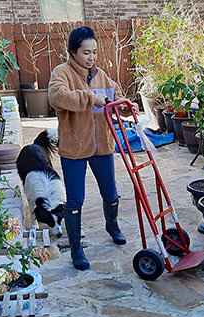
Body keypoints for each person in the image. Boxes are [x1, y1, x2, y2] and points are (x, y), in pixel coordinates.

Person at [48, 26, 133, 270]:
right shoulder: (61, 73)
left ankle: (112, 225)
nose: (91, 57)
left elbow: (114, 99)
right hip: (74, 147)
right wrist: (90, 98)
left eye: (94, 52)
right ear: (73, 52)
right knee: (75, 200)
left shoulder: (102, 76)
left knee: (111, 192)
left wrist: (125, 108)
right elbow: (57, 97)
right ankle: (76, 247)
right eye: (86, 53)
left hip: (102, 146)